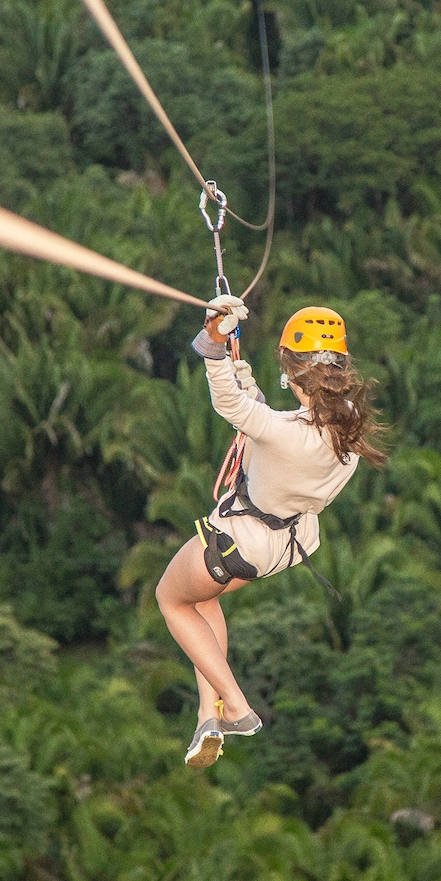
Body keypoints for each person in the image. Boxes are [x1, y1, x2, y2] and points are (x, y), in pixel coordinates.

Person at [155, 297, 388, 768]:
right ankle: (207, 715)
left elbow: (233, 408)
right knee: (204, 602)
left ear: (292, 372)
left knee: (172, 599)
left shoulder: (282, 431)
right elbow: (281, 435)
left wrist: (214, 341)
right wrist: (255, 397)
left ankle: (235, 706)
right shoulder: (349, 426)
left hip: (238, 541)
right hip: (285, 546)